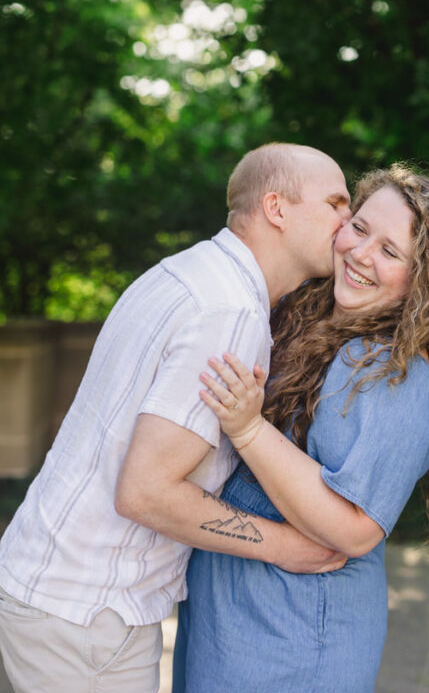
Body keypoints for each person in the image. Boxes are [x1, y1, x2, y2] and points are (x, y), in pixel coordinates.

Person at [0, 143, 352, 693]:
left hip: (52, 593)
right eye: (336, 203)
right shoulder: (229, 311)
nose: (348, 222)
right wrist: (287, 547)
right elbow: (145, 493)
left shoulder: (187, 273)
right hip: (89, 616)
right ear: (277, 208)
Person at [173, 165, 429, 693]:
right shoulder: (304, 321)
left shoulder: (394, 375)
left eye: (392, 252)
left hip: (294, 639)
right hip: (229, 623)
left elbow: (354, 528)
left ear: (425, 283)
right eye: (360, 228)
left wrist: (249, 429)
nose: (362, 254)